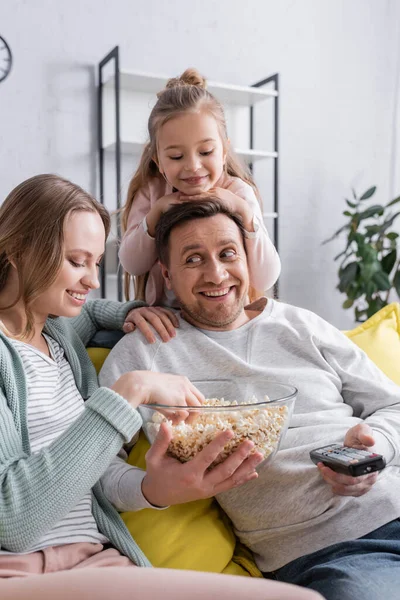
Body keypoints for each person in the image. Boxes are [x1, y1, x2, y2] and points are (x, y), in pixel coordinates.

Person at [0, 175, 319, 600]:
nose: (92, 279)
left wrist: (134, 312)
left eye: (97, 262)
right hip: (19, 572)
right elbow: (16, 521)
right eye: (77, 262)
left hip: (98, 560)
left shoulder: (56, 333)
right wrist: (127, 392)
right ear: (17, 251)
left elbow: (92, 312)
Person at [100, 198, 400, 600]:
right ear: (168, 277)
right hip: (332, 553)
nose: (216, 273)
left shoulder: (301, 325)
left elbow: (393, 405)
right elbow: (96, 469)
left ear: (247, 260)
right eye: (193, 260)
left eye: (228, 254)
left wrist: (376, 448)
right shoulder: (146, 352)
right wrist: (155, 489)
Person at [119, 67, 280, 344]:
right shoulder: (152, 192)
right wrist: (156, 215)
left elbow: (266, 276)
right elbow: (132, 263)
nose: (193, 166)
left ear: (224, 150)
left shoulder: (239, 192)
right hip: (169, 323)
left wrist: (242, 211)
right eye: (177, 156)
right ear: (158, 159)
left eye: (205, 152)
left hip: (225, 318)